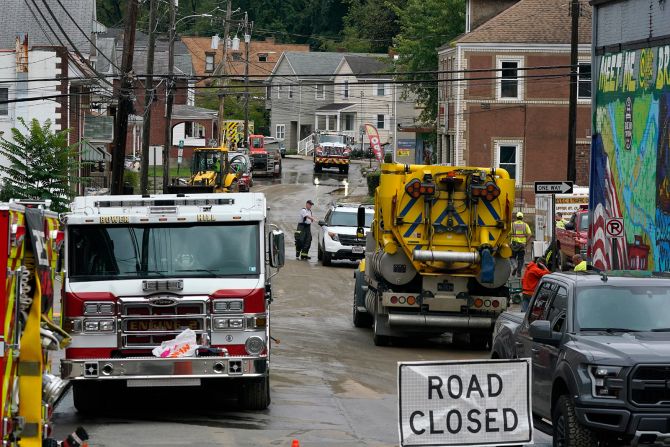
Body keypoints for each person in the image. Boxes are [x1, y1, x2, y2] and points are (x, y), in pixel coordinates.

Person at [510, 211, 532, 277]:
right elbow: (530, 234)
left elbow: (508, 234)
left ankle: (514, 266)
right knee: (521, 259)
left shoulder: (512, 224)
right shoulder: (525, 225)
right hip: (522, 244)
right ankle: (519, 272)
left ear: (516, 217)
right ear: (522, 218)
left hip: (514, 244)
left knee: (512, 257)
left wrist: (509, 242)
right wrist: (526, 242)